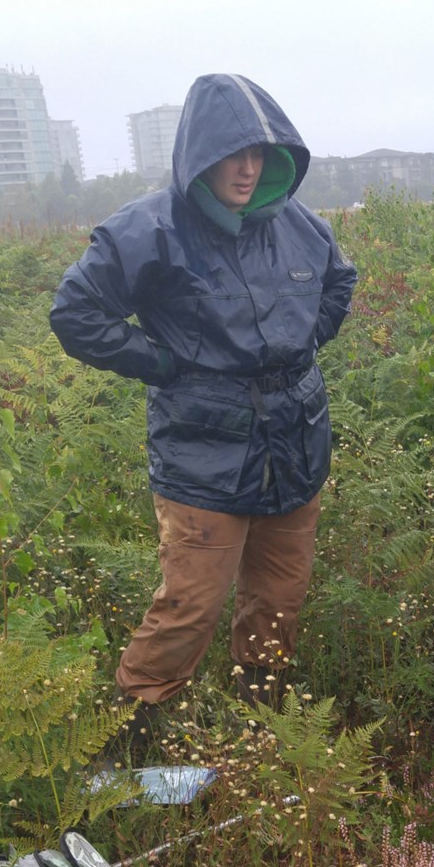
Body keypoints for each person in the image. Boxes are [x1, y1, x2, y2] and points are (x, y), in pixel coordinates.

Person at [51, 73, 357, 744]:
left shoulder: (297, 225)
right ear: (199, 156)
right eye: (233, 154)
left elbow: (339, 283)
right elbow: (76, 313)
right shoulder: (149, 230)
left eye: (260, 153)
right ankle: (133, 735)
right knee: (190, 607)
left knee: (280, 598)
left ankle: (262, 721)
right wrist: (161, 363)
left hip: (296, 449)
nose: (249, 169)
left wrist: (301, 348)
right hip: (203, 458)